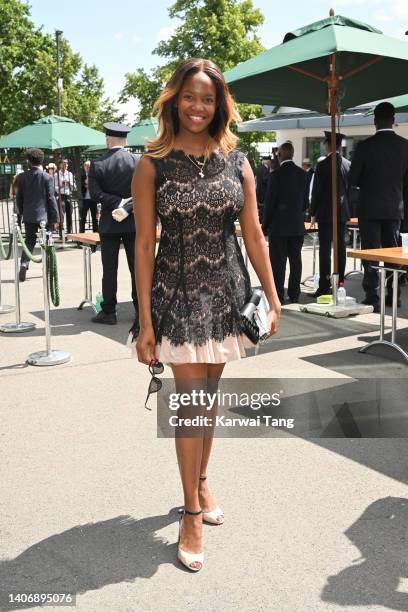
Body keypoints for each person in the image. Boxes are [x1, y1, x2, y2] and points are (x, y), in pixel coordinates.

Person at [130, 58, 281, 572]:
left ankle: (200, 478)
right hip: (176, 297)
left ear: (220, 105)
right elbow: (144, 243)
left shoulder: (235, 159)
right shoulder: (152, 162)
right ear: (174, 100)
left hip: (226, 296)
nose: (198, 107)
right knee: (192, 404)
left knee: (208, 401)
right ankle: (191, 512)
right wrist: (146, 321)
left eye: (208, 99)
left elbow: (255, 234)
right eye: (189, 97)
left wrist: (273, 295)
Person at [349, 102, 408, 310]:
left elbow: (353, 180)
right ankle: (393, 294)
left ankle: (371, 294)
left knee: (371, 252)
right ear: (394, 121)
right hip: (394, 208)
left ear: (375, 121)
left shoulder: (365, 147)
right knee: (393, 253)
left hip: (369, 208)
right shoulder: (405, 146)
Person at [89, 123, 139, 324]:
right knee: (138, 268)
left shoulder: (98, 164)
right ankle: (141, 310)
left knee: (109, 269)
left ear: (107, 140)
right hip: (134, 223)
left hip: (109, 223)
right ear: (126, 140)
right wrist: (126, 205)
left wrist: (115, 203)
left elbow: (94, 194)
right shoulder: (138, 161)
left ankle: (109, 311)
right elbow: (148, 191)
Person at [262, 141, 309, 303]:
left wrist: (264, 225)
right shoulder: (303, 174)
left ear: (280, 155)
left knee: (278, 264)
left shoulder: (275, 175)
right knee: (296, 262)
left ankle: (278, 296)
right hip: (296, 225)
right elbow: (304, 203)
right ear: (293, 155)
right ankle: (295, 294)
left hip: (278, 227)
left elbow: (270, 203)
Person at [310, 132, 350, 297]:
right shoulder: (348, 164)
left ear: (328, 145)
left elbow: (317, 191)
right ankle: (340, 284)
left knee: (325, 250)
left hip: (326, 212)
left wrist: (312, 212)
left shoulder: (323, 164)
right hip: (342, 212)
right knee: (341, 249)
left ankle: (325, 285)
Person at [15, 148, 59, 282]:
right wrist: (55, 218)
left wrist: (22, 212)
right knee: (47, 243)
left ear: (29, 161)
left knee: (29, 242)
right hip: (44, 217)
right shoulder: (47, 177)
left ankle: (24, 264)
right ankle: (49, 268)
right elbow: (51, 199)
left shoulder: (22, 177)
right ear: (42, 160)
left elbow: (19, 198)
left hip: (29, 216)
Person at [55, 159, 75, 234]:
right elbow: (55, 187)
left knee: (69, 213)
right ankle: (61, 231)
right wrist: (61, 185)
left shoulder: (70, 174)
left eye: (66, 164)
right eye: (64, 163)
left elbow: (74, 187)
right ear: (60, 165)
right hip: (61, 196)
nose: (66, 165)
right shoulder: (57, 175)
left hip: (68, 195)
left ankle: (69, 231)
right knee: (61, 214)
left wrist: (70, 182)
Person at [80, 160, 98, 233]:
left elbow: (96, 185)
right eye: (86, 166)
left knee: (94, 218)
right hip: (85, 199)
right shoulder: (82, 176)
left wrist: (89, 185)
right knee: (83, 218)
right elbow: (80, 186)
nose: (88, 168)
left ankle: (95, 233)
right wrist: (86, 185)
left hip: (93, 199)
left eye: (89, 166)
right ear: (84, 167)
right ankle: (81, 233)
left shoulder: (94, 175)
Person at [255, 156, 271, 224]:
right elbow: (265, 179)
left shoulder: (260, 168)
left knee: (262, 208)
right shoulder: (264, 169)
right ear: (267, 162)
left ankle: (261, 221)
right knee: (263, 208)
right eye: (270, 161)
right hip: (263, 192)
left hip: (260, 191)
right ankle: (262, 223)